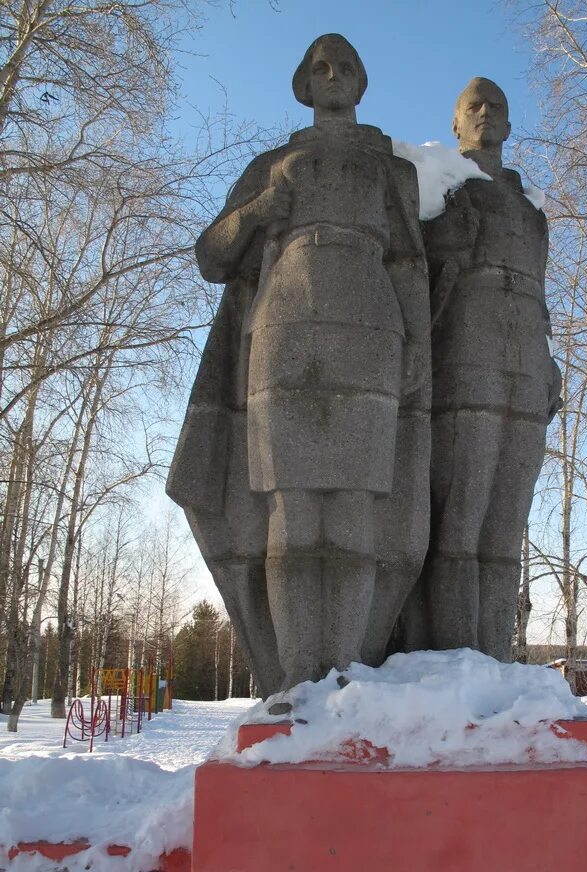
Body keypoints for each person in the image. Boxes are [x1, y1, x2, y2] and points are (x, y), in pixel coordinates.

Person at [168, 34, 429, 690]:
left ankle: (342, 673)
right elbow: (212, 256)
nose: (333, 74)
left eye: (345, 66)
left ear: (361, 84)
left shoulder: (392, 169)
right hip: (283, 334)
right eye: (321, 66)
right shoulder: (271, 163)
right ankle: (294, 679)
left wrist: (418, 344)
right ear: (304, 85)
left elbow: (410, 265)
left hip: (370, 335)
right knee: (291, 511)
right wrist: (261, 208)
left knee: (352, 510)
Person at [409, 77, 562, 659]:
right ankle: (453, 659)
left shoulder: (530, 211)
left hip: (523, 364)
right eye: (473, 106)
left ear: (509, 122)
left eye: (496, 106)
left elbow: (540, 296)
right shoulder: (438, 186)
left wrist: (547, 361)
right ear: (455, 124)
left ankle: (491, 658)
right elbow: (407, 273)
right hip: (462, 360)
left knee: (505, 528)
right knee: (461, 520)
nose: (486, 114)